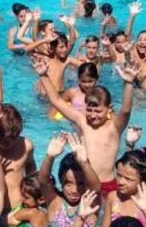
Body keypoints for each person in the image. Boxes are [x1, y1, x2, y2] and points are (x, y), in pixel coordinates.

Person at [34, 58, 135, 195]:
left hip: (108, 184)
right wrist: (43, 75)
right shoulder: (82, 121)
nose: (93, 115)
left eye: (98, 111)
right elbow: (57, 101)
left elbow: (126, 110)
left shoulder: (114, 127)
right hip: (84, 184)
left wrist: (129, 83)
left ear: (109, 109)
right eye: (89, 110)